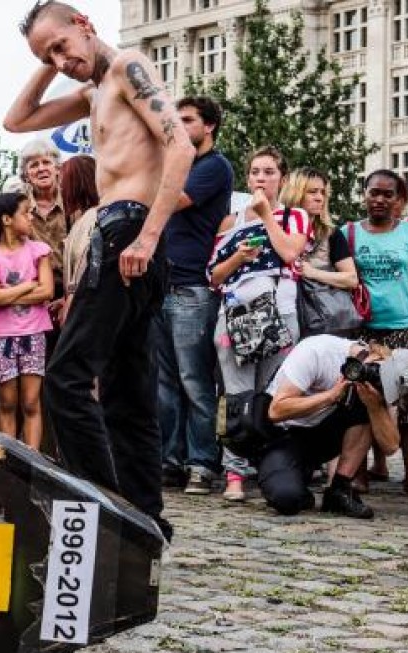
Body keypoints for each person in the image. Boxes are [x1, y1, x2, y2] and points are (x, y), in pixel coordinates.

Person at [4, 1, 195, 540]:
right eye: (49, 55)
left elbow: (179, 146)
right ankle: (145, 519)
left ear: (86, 25)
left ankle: (104, 510)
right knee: (127, 391)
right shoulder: (93, 91)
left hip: (129, 234)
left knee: (65, 378)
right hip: (128, 240)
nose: (60, 60)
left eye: (62, 45)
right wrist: (48, 56)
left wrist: (149, 235)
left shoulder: (129, 67)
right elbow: (15, 120)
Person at [208, 147, 311, 502]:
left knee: (273, 393)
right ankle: (234, 471)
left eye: (269, 172)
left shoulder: (293, 216)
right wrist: (238, 256)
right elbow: (213, 275)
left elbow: (289, 253)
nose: (261, 179)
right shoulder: (230, 222)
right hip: (235, 314)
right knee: (235, 394)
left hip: (278, 312)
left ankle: (272, 467)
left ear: (281, 178)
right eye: (255, 172)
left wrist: (268, 216)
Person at [343, 169, 408, 497]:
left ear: (401, 200)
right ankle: (359, 474)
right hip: (364, 329)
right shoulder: (350, 233)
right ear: (365, 194)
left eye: (388, 194)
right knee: (361, 401)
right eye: (374, 192)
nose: (380, 200)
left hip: (404, 329)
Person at [153, 96, 233, 494]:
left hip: (193, 288)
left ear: (209, 126)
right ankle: (171, 460)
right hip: (162, 286)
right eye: (176, 120)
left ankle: (201, 462)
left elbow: (174, 200)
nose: (180, 126)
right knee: (165, 383)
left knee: (195, 380)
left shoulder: (213, 166)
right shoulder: (176, 164)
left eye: (188, 120)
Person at [258, 335, 408, 518]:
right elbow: (276, 411)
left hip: (321, 438)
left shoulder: (381, 387)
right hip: (283, 434)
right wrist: (330, 396)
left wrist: (374, 407)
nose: (379, 385)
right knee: (288, 499)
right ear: (380, 358)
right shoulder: (318, 351)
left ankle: (339, 489)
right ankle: (290, 473)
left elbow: (390, 446)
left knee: (364, 406)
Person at [0, 193, 54, 448]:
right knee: (7, 402)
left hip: (33, 333)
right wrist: (29, 285)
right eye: (25, 213)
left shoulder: (38, 251)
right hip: (2, 336)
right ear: (7, 219)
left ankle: (32, 461)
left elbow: (47, 291)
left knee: (31, 401)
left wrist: (4, 294)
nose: (31, 217)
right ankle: (8, 463)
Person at [283, 168, 359, 324]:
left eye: (323, 192)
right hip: (285, 314)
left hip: (323, 319)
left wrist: (313, 272)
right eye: (312, 192)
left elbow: (351, 279)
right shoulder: (278, 228)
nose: (320, 198)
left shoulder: (330, 233)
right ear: (295, 193)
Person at [19, 140, 66, 294]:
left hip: (72, 289)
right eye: (34, 165)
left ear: (57, 168)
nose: (41, 169)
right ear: (26, 175)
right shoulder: (18, 208)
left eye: (46, 162)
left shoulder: (72, 202)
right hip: (33, 289)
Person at [58, 154, 99, 325]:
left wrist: (71, 299)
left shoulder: (94, 217)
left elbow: (87, 265)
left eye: (63, 181)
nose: (60, 187)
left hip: (87, 311)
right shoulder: (82, 218)